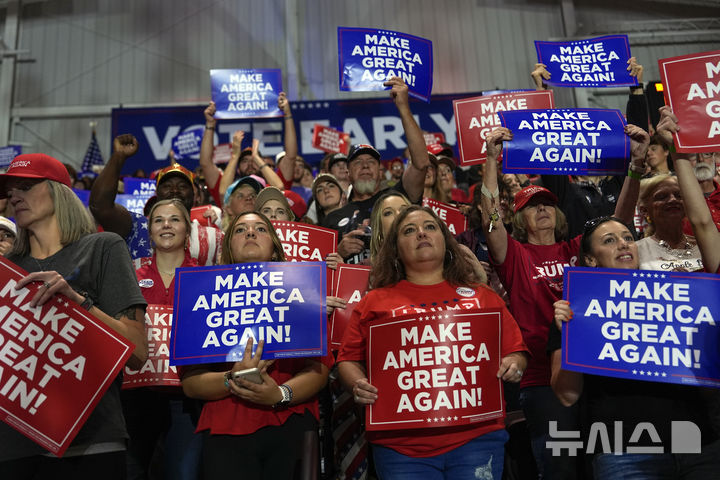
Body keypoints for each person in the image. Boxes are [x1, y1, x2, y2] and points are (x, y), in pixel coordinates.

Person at [479, 125, 649, 478]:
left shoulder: (577, 249)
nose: (541, 210)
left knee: (599, 463)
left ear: (558, 214)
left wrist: (635, 165)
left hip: (593, 371)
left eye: (547, 204)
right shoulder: (515, 255)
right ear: (519, 217)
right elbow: (491, 219)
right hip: (543, 380)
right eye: (531, 206)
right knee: (561, 469)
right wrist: (491, 161)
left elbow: (619, 218)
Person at [337, 205, 527, 479]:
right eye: (409, 230)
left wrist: (514, 363)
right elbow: (347, 358)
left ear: (445, 240)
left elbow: (515, 350)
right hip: (401, 448)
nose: (421, 234)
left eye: (430, 227)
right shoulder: (373, 301)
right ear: (396, 250)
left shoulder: (483, 296)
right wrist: (357, 382)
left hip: (477, 439)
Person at [0, 153, 147, 478]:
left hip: (90, 443)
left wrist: (78, 302)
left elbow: (137, 352)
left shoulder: (103, 247)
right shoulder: (6, 270)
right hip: (12, 447)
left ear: (58, 192)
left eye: (25, 186)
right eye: (10, 190)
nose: (13, 196)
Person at [550, 215, 720, 478]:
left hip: (697, 445)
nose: (623, 244)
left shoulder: (678, 298)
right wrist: (570, 336)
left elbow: (708, 388)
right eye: (609, 240)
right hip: (625, 453)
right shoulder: (573, 311)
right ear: (591, 259)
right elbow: (567, 395)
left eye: (628, 238)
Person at [180, 211, 332, 479]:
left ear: (274, 248)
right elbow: (191, 383)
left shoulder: (304, 290)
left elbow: (318, 370)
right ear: (228, 250)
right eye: (240, 230)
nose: (250, 233)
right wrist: (233, 378)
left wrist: (280, 395)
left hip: (290, 419)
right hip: (225, 427)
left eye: (260, 229)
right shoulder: (201, 292)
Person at [126, 198, 203, 480]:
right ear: (149, 230)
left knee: (182, 475)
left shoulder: (208, 277)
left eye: (175, 219)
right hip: (136, 395)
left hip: (187, 397)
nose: (166, 225)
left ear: (188, 229)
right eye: (158, 220)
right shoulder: (130, 274)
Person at [322, 77, 430, 264]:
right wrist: (338, 250)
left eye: (371, 162)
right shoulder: (332, 218)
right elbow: (322, 266)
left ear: (380, 171)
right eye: (357, 163)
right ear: (347, 173)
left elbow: (421, 163)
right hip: (354, 291)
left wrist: (403, 107)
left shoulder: (398, 197)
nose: (364, 165)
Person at [89, 135, 222, 264]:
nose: (175, 190)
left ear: (194, 195)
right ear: (156, 193)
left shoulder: (214, 238)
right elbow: (100, 207)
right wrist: (119, 156)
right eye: (167, 186)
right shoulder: (138, 226)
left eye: (182, 186)